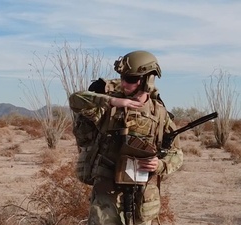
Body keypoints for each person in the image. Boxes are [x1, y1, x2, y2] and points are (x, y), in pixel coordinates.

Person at [69, 50, 183, 225]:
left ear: (147, 80)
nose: (123, 83)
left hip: (143, 194)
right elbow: (75, 100)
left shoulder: (160, 114)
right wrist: (111, 101)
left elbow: (177, 154)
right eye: (122, 77)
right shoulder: (110, 107)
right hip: (107, 192)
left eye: (130, 79)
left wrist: (160, 164)